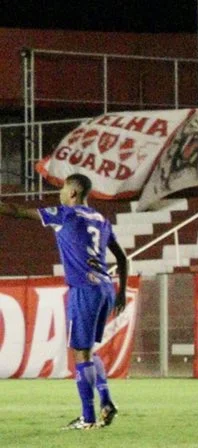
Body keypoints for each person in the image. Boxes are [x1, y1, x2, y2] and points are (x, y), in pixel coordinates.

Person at [0, 174, 129, 427]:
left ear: (72, 192)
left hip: (84, 288)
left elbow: (17, 211)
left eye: (62, 188)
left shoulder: (65, 214)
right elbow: (122, 258)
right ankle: (106, 400)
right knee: (88, 350)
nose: (59, 192)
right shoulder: (101, 219)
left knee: (80, 353)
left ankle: (88, 417)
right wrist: (122, 291)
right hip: (105, 288)